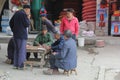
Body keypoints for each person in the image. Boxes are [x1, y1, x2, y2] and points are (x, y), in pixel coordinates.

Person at [9, 5, 31, 69]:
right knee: (22, 50)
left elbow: (10, 22)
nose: (28, 12)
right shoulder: (24, 14)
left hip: (15, 35)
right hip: (22, 36)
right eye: (29, 11)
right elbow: (26, 24)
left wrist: (14, 30)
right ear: (26, 9)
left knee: (17, 50)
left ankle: (16, 65)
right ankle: (21, 65)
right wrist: (28, 18)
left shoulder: (16, 13)